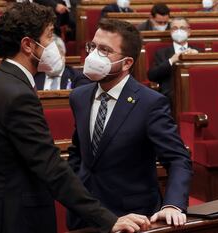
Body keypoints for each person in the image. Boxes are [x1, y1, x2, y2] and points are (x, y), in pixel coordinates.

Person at [0, 3, 150, 233]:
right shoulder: (17, 94)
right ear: (27, 45)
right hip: (12, 219)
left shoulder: (3, 80)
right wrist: (108, 219)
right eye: (48, 37)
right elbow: (50, 166)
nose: (53, 45)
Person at [67, 18, 192, 230]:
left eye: (105, 50)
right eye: (93, 46)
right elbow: (79, 151)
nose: (94, 55)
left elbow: (178, 158)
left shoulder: (150, 102)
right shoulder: (79, 96)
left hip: (133, 217)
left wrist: (173, 204)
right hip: (85, 217)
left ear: (127, 63)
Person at [148, 17, 200, 100]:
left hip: (195, 90)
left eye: (182, 28)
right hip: (171, 94)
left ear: (189, 32)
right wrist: (171, 60)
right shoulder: (161, 53)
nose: (179, 31)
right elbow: (152, 75)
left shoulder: (198, 51)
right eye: (175, 28)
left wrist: (197, 58)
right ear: (171, 32)